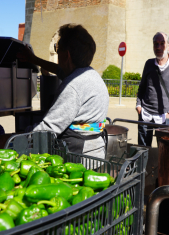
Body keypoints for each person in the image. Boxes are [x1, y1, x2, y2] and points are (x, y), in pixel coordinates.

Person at [17, 24, 108, 159]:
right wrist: (34, 59)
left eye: (57, 49)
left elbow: (48, 129)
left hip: (78, 160)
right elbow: (59, 70)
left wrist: (15, 139)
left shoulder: (73, 86)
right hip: (96, 153)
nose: (57, 53)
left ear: (67, 55)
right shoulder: (90, 75)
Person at [136, 32, 169, 146]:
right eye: (156, 44)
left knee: (164, 151)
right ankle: (143, 165)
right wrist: (139, 105)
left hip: (165, 117)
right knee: (142, 150)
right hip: (145, 115)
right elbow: (142, 87)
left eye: (162, 43)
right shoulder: (149, 63)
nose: (158, 47)